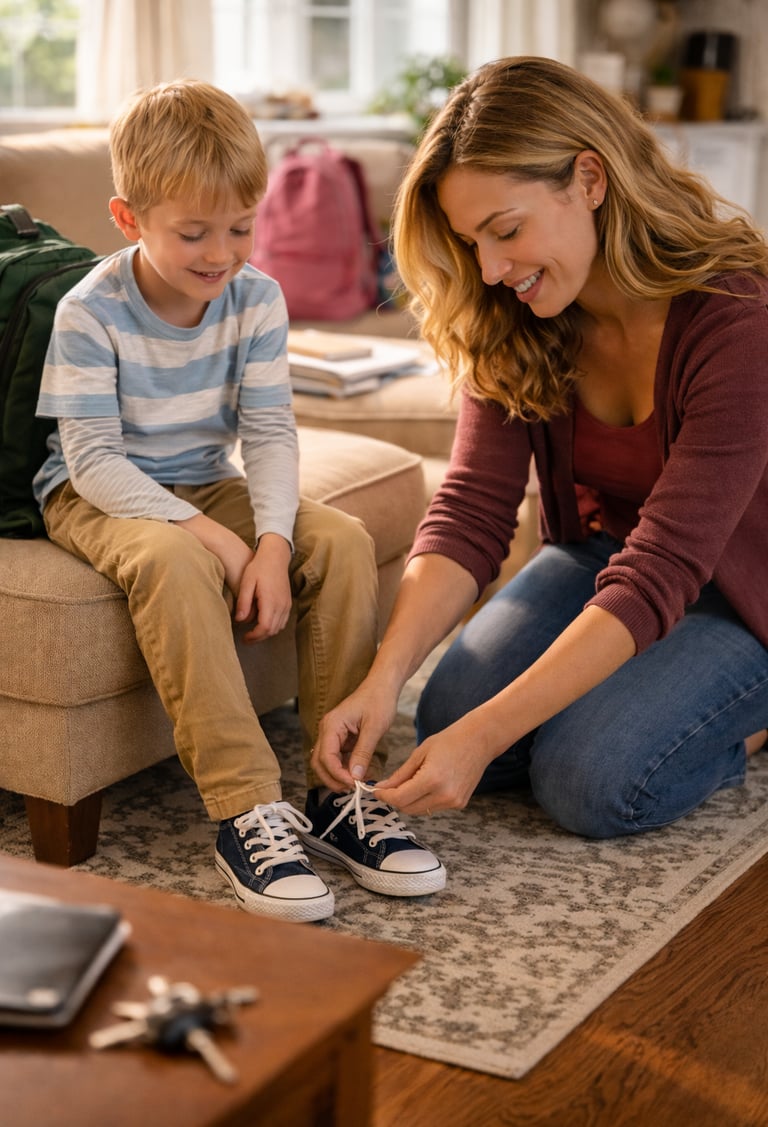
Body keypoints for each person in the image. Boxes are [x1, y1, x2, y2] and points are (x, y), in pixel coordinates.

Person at [312, 56, 768, 840]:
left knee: (589, 779)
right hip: (603, 552)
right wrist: (384, 677)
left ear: (589, 179)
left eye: (507, 230)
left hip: (742, 591)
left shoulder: (738, 320)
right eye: (472, 241)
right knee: (445, 713)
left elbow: (666, 564)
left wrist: (493, 732)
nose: (491, 270)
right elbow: (470, 509)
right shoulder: (516, 313)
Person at [33, 78, 445, 923]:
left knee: (338, 537)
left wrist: (271, 539)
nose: (221, 253)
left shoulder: (255, 297)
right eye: (193, 233)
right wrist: (224, 546)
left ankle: (338, 788)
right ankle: (243, 808)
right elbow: (95, 461)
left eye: (239, 227)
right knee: (176, 558)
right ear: (127, 220)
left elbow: (268, 433)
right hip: (94, 489)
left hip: (202, 476)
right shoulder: (88, 313)